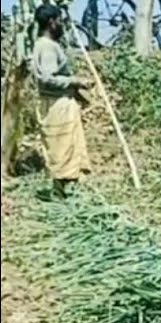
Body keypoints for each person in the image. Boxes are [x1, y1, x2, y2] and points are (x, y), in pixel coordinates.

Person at [29, 2, 93, 198]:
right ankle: (64, 192)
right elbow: (47, 78)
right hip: (57, 105)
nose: (62, 24)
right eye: (59, 21)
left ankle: (64, 191)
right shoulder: (47, 47)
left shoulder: (44, 45)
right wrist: (75, 81)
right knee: (62, 148)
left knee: (64, 147)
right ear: (51, 23)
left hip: (56, 103)